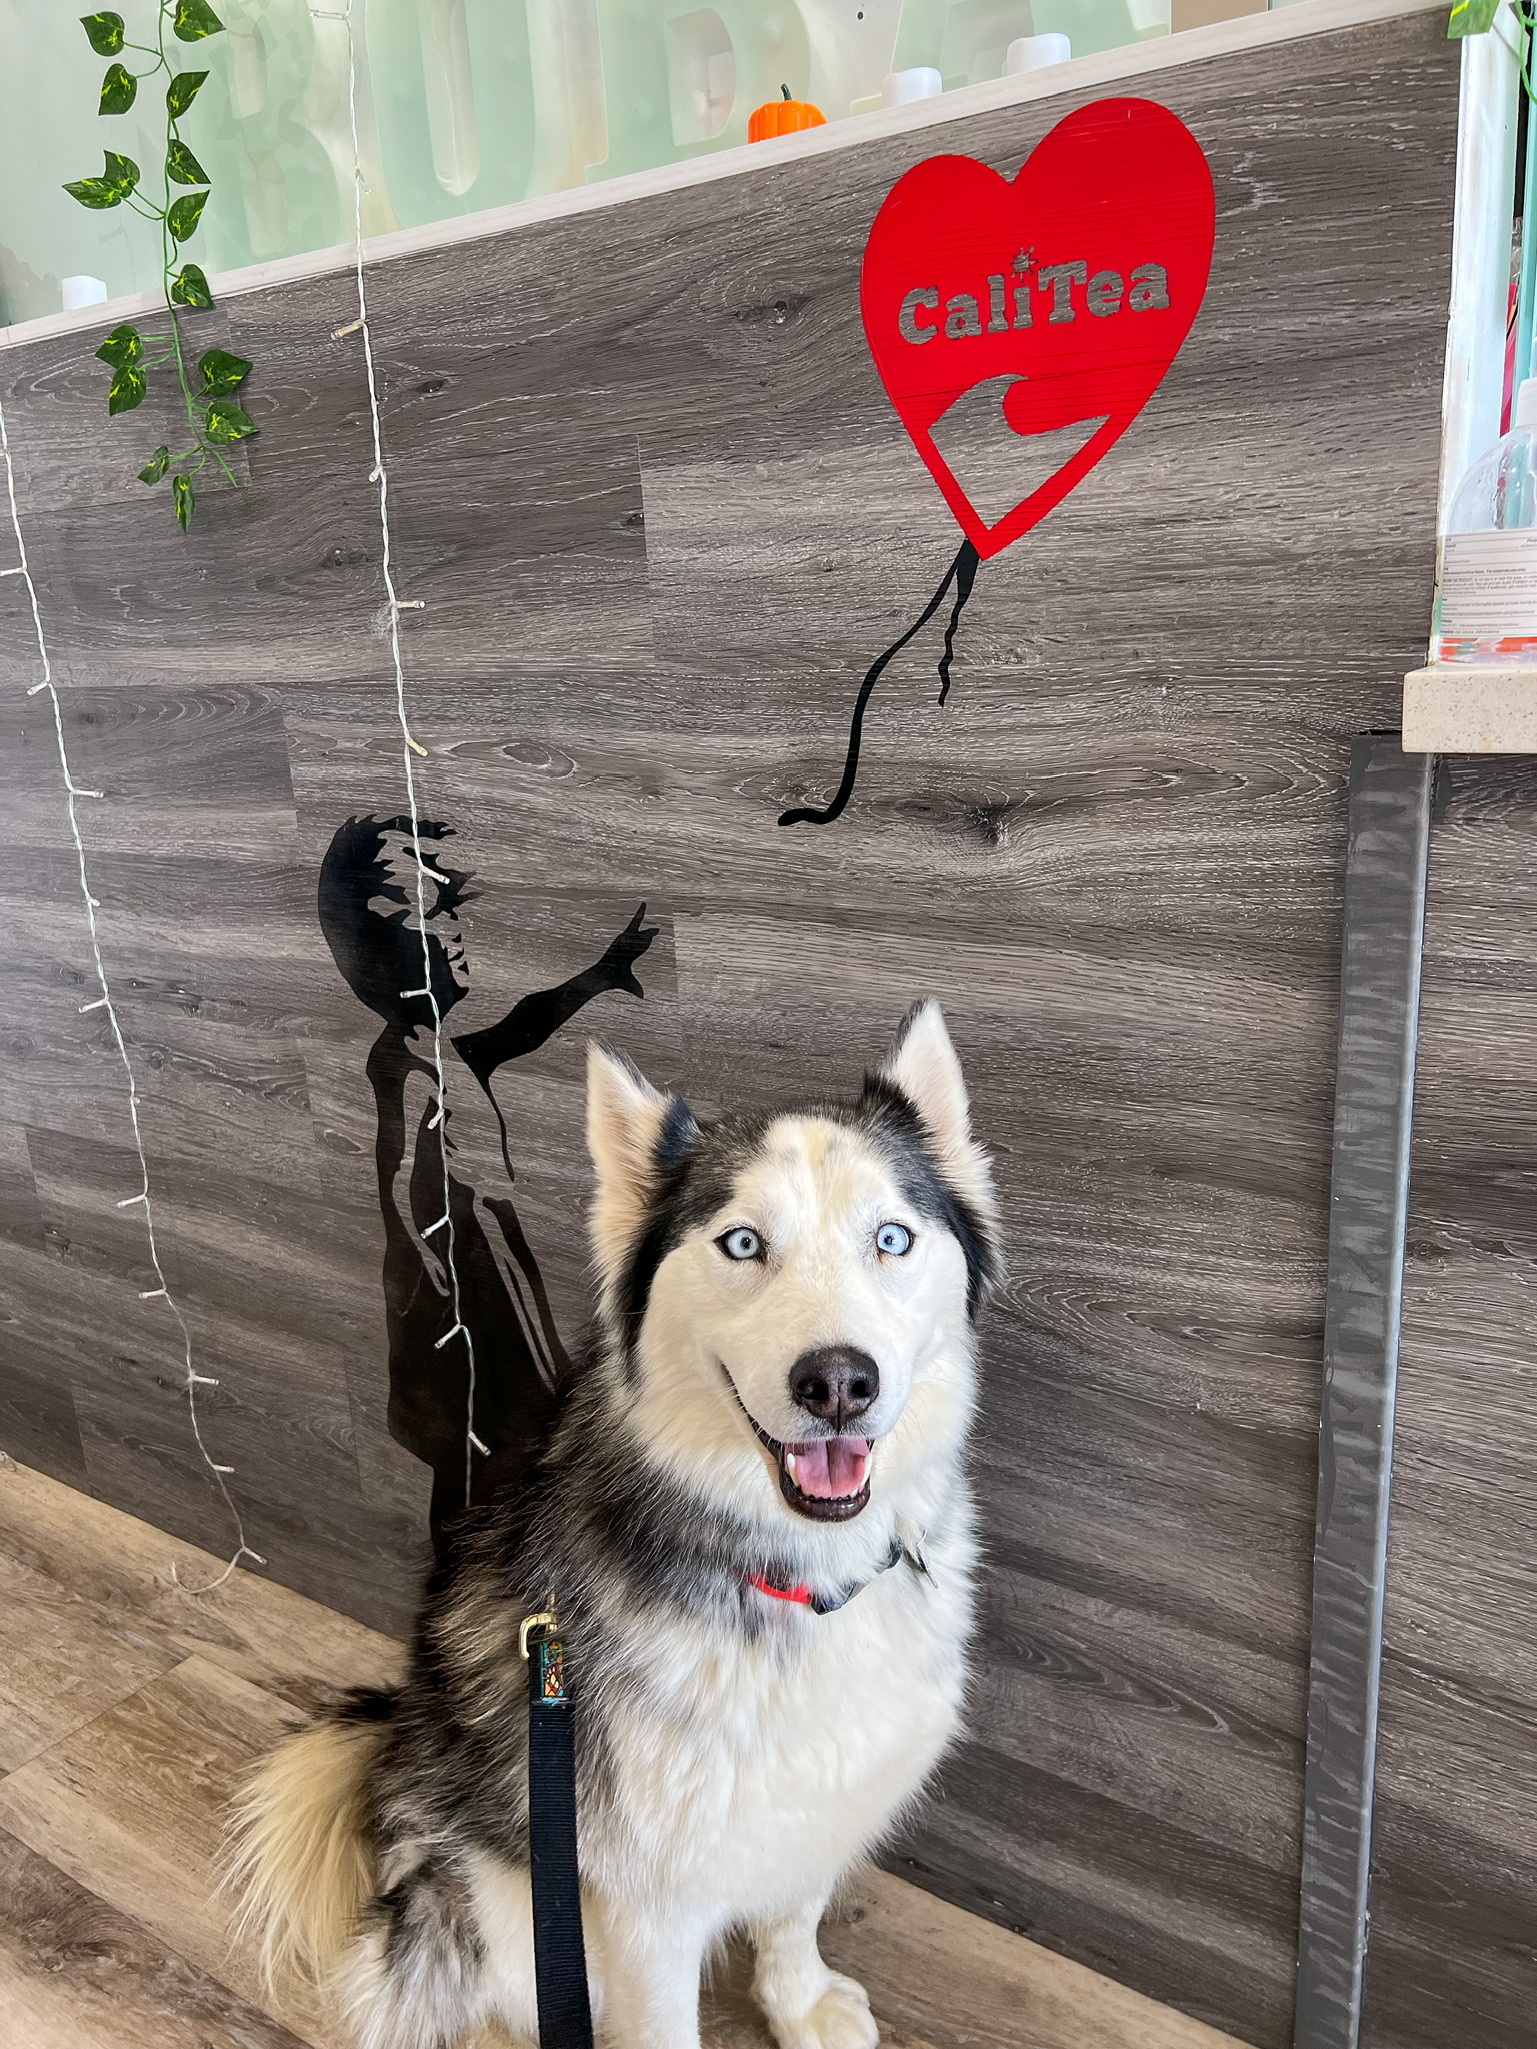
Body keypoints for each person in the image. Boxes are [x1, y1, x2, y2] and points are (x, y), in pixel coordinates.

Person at [317, 814, 655, 1544]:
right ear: (383, 936)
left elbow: (523, 1024)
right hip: (467, 1300)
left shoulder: (436, 1046)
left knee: (493, 1471)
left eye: (450, 907)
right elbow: (406, 1176)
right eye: (434, 912)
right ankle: (505, 1617)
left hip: (477, 1279)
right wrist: (451, 1285)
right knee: (495, 1473)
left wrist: (602, 971)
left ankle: (494, 1609)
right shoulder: (408, 1061)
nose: (456, 927)